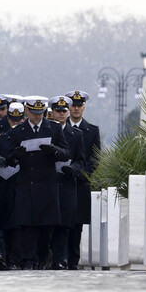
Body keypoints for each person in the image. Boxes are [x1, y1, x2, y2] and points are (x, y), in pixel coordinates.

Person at [7, 96, 69, 270]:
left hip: (47, 184)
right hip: (26, 183)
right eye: (34, 113)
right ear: (27, 111)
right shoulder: (18, 131)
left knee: (46, 226)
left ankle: (44, 256)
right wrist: (15, 156)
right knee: (27, 225)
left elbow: (66, 153)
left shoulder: (54, 129)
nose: (37, 117)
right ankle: (28, 259)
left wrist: (54, 150)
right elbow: (8, 160)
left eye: (40, 113)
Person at [48, 95, 85, 270]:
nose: (62, 114)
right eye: (58, 111)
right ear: (52, 112)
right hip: (49, 182)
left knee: (64, 225)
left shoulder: (76, 135)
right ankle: (48, 257)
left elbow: (81, 159)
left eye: (64, 111)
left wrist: (74, 169)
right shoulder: (46, 130)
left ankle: (60, 258)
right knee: (48, 224)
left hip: (67, 183)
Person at [0, 101, 26, 270]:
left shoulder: (26, 130)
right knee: (0, 221)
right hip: (1, 180)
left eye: (18, 119)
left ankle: (15, 259)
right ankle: (0, 256)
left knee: (17, 223)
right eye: (12, 119)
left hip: (21, 182)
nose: (15, 123)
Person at [65, 90, 100, 270]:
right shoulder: (60, 128)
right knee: (63, 223)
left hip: (80, 182)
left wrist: (80, 173)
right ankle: (61, 258)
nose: (76, 109)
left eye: (79, 106)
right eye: (73, 105)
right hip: (62, 181)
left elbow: (95, 159)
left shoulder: (92, 131)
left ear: (84, 107)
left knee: (77, 224)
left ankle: (73, 260)